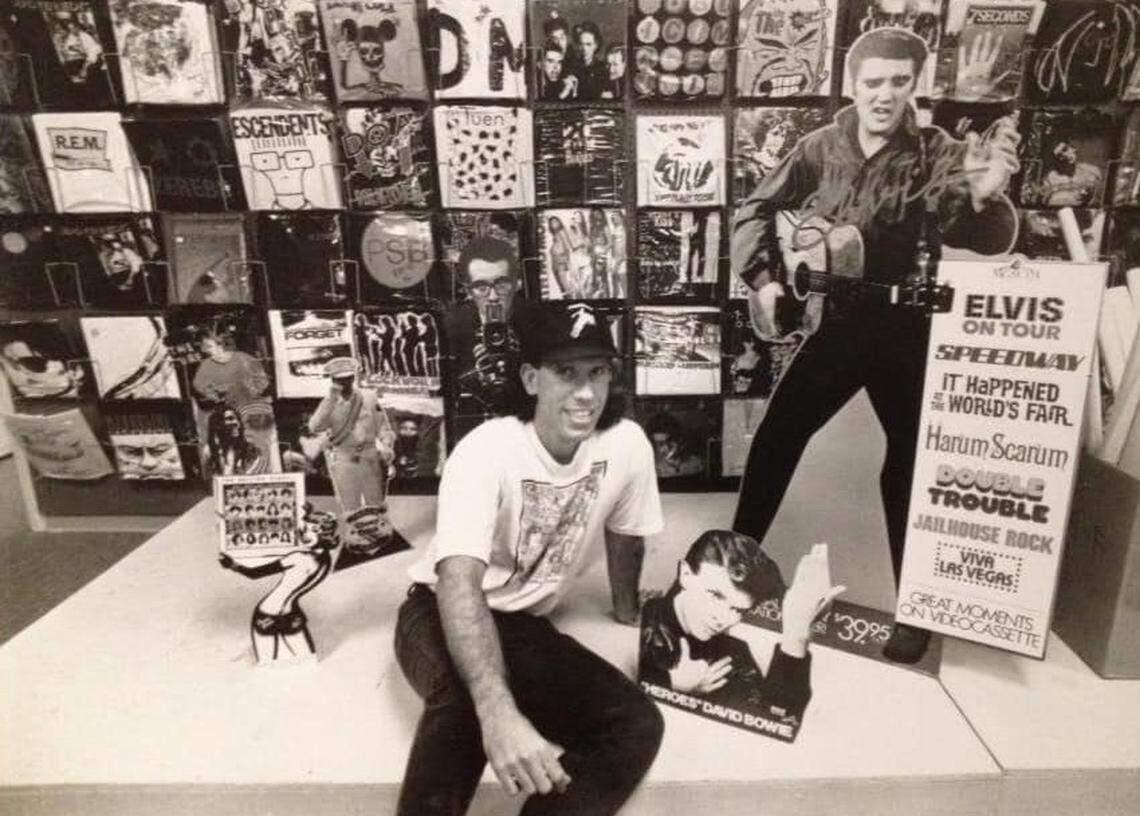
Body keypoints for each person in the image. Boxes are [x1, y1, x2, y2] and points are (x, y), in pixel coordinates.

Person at [730, 27, 1019, 664]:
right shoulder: (819, 145)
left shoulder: (940, 151)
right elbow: (753, 207)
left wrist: (983, 194)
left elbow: (988, 234)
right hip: (835, 322)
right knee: (777, 435)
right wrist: (764, 280)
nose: (884, 95)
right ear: (851, 85)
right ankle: (731, 568)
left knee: (907, 464)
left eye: (897, 82)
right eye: (872, 82)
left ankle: (917, 609)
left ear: (914, 85)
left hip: (905, 328)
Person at [395, 301, 665, 816]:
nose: (585, 393)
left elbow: (625, 533)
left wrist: (628, 609)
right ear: (530, 378)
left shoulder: (627, 445)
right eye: (565, 372)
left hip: (521, 627)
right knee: (463, 706)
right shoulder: (485, 450)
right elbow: (457, 580)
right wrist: (498, 712)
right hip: (436, 609)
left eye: (598, 372)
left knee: (635, 723)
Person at [639, 532, 842, 725]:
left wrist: (796, 635)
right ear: (686, 574)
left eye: (737, 609)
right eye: (715, 595)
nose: (720, 617)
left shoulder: (733, 654)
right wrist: (670, 684)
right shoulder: (639, 617)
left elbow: (777, 720)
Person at [446, 236, 525, 414]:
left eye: (502, 285)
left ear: (516, 284)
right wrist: (477, 375)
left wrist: (520, 364)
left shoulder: (538, 322)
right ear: (468, 291)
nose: (493, 296)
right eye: (482, 288)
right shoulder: (452, 327)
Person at [307, 356, 394, 517]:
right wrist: (330, 400)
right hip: (344, 457)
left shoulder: (368, 397)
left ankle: (380, 536)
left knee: (376, 505)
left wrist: (387, 445)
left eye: (347, 379)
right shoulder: (328, 403)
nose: (344, 383)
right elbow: (314, 427)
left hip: (370, 456)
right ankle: (355, 538)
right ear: (332, 380)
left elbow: (382, 426)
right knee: (350, 506)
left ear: (353, 378)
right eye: (339, 380)